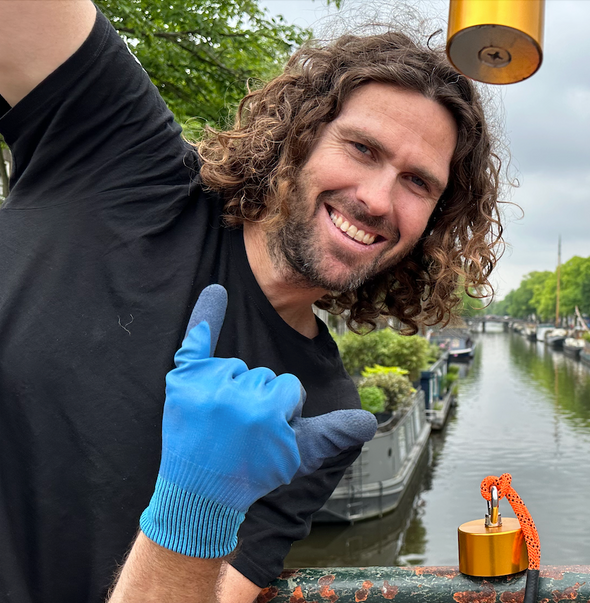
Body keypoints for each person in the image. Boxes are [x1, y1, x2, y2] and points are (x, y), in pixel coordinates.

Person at [0, 3, 503, 602]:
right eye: (362, 148)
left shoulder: (322, 412)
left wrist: (196, 507)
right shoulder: (126, 162)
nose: (376, 198)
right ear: (298, 137)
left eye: (418, 182)